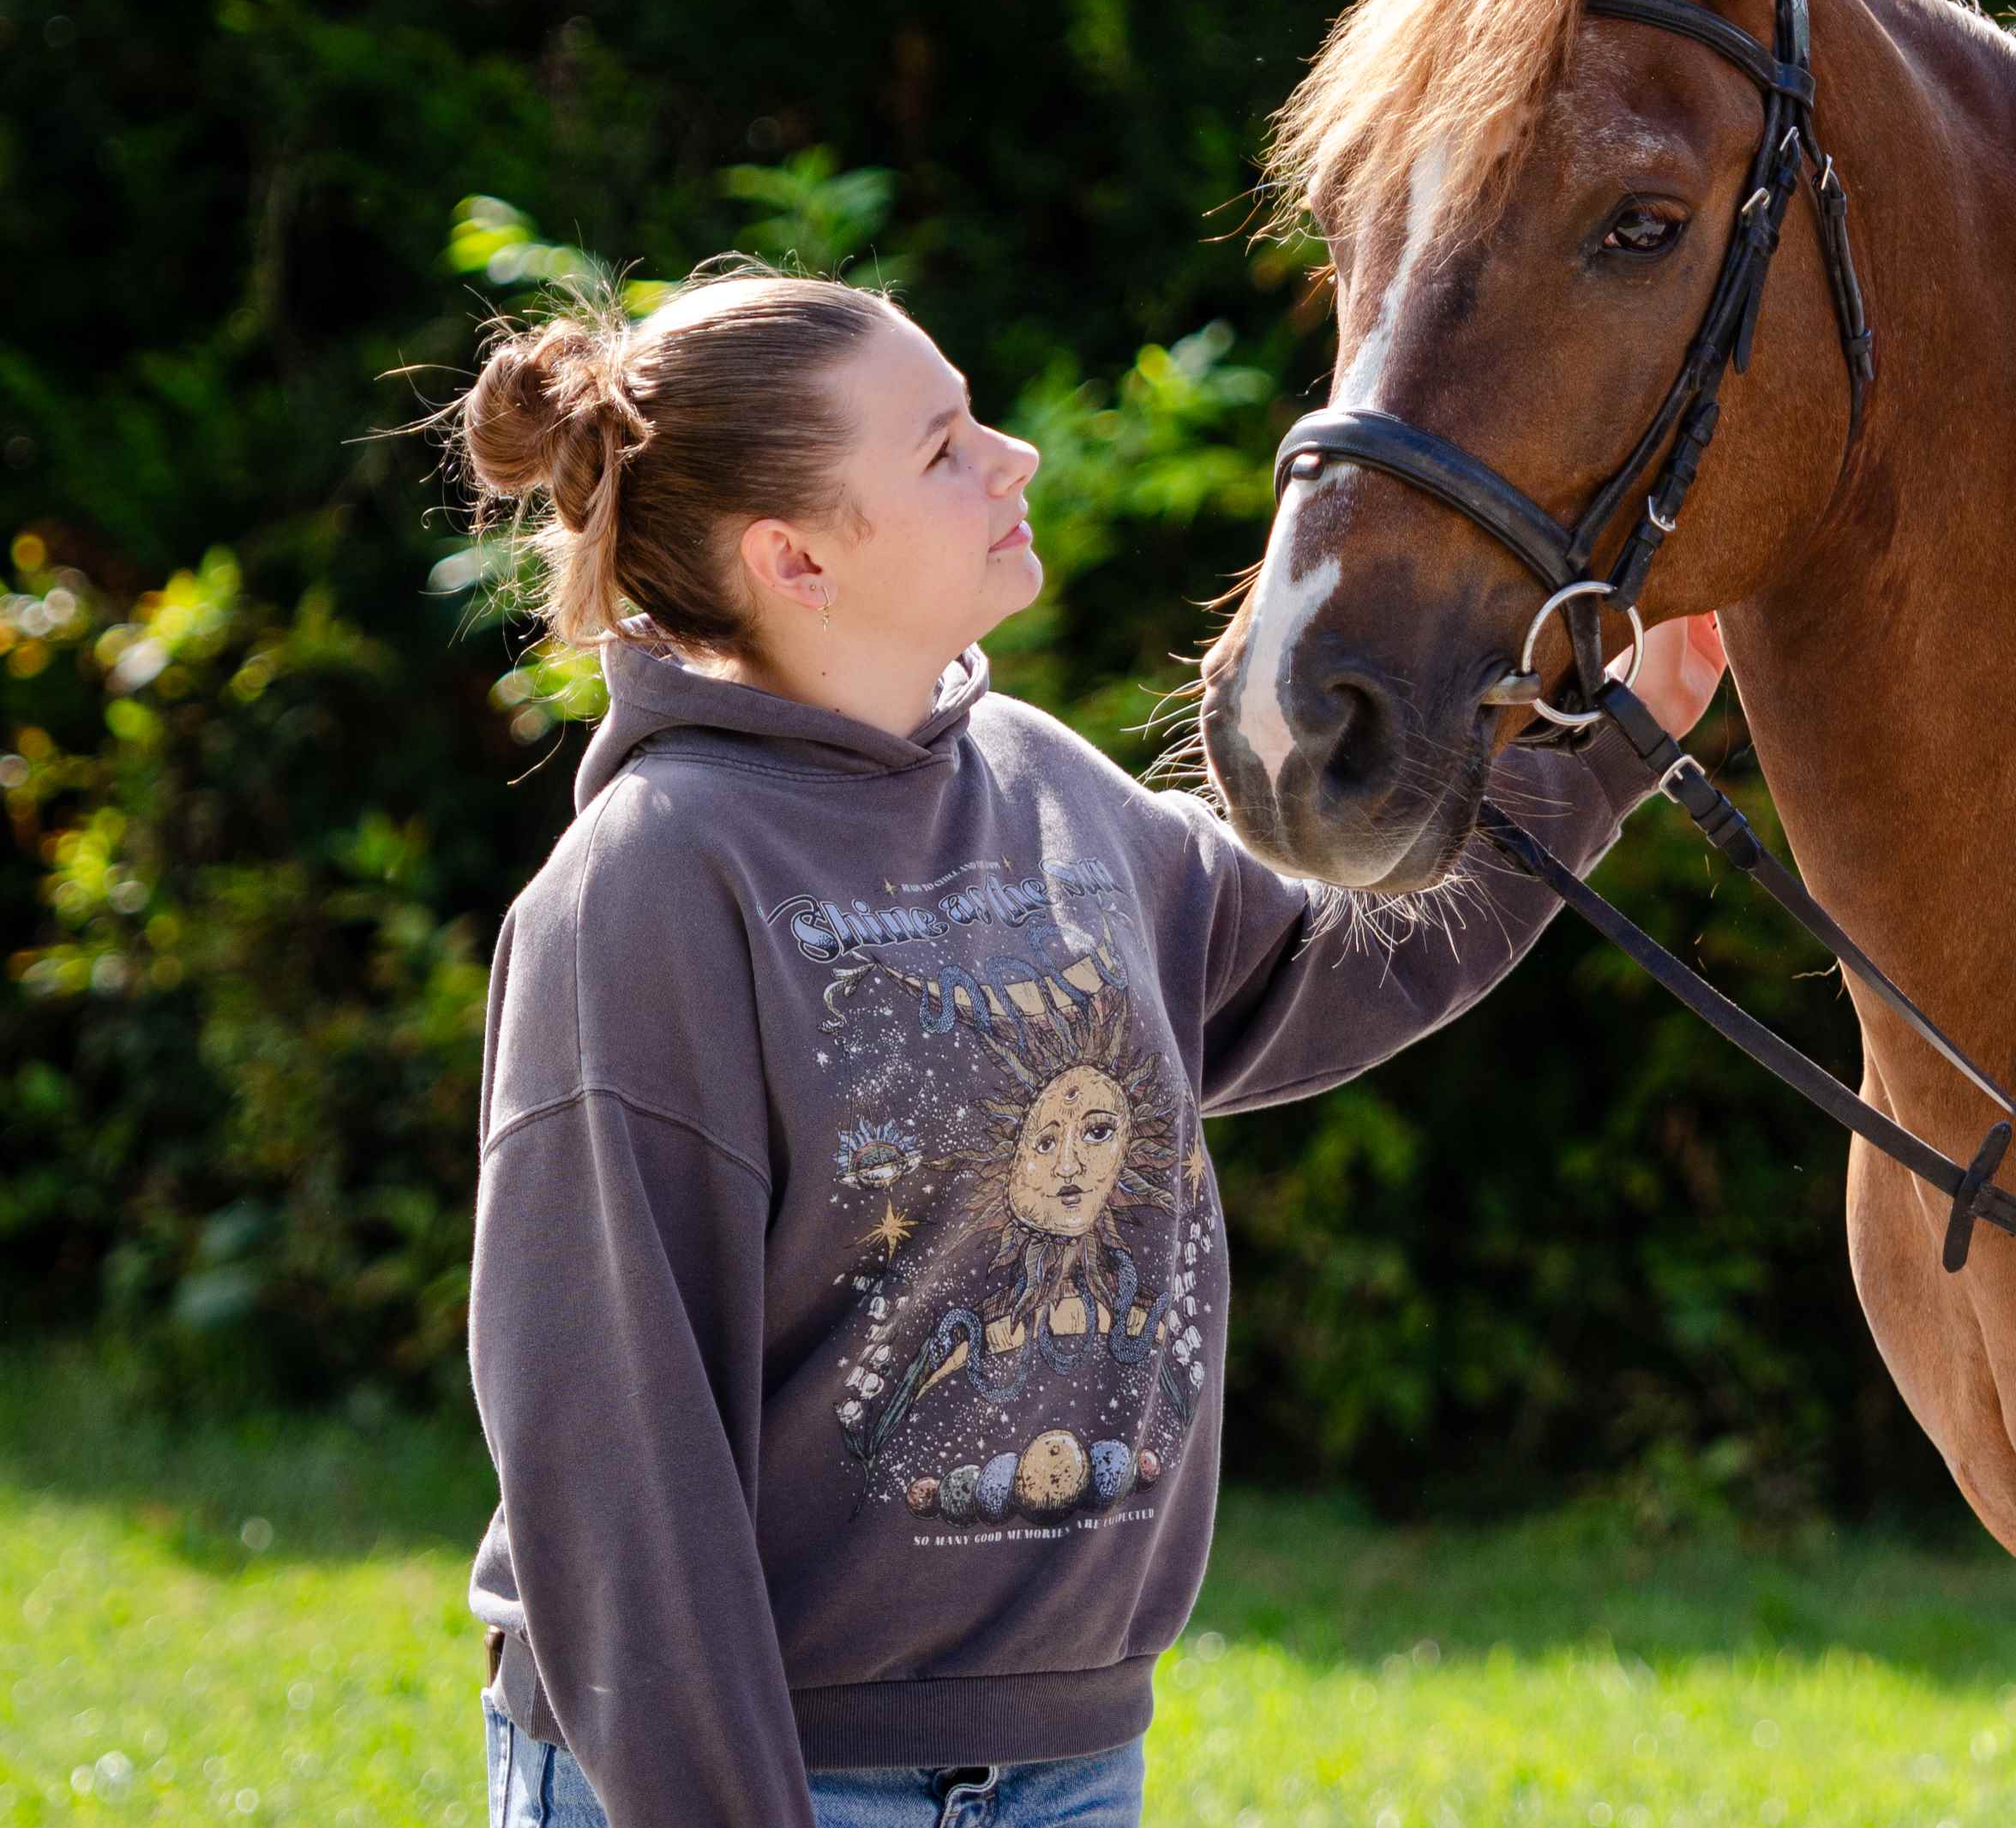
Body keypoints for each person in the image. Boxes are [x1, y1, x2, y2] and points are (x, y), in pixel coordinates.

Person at [440, 267, 1721, 1828]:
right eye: (940, 448)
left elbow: (1330, 965)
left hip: (1064, 1768)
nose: (1013, 460)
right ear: (793, 560)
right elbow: (612, 1456)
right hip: (752, 1776)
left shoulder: (1041, 782)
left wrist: (1612, 739)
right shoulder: (648, 887)